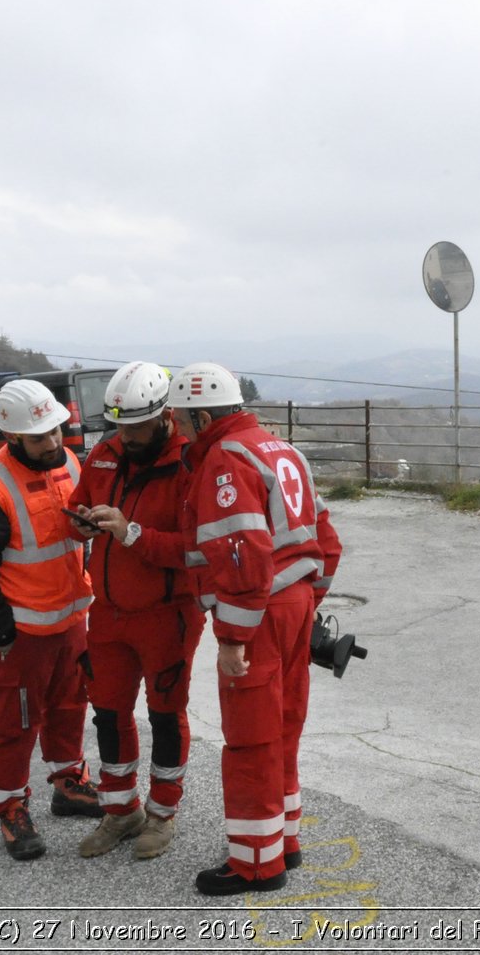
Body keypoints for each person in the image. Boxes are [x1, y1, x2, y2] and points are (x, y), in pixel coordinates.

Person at [169, 362, 342, 896]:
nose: (175, 429)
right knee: (283, 728)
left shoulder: (225, 460)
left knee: (249, 739)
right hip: (293, 605)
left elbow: (241, 555)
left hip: (259, 613)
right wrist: (309, 599)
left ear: (201, 417)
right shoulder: (279, 448)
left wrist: (233, 638)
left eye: (179, 420)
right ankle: (282, 842)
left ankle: (254, 865)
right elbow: (326, 537)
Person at [0, 378, 101, 861]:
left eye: (56, 430)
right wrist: (0, 636)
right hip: (20, 635)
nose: (53, 442)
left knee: (71, 706)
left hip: (70, 623)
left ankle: (68, 782)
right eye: (40, 437)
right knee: (13, 724)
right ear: (12, 437)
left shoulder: (69, 464)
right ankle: (9, 805)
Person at [65, 361, 204, 860]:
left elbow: (196, 548)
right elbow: (81, 504)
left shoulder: (190, 464)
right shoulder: (104, 453)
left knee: (165, 716)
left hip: (168, 614)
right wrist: (81, 524)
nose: (128, 435)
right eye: (120, 425)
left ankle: (163, 816)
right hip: (107, 613)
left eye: (138, 426)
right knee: (107, 714)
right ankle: (122, 811)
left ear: (165, 416)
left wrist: (131, 532)